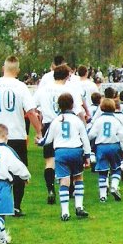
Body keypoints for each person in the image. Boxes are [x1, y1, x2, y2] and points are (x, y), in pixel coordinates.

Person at [0, 55, 42, 217]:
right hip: (16, 134)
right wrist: (39, 131)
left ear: (2, 69)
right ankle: (16, 205)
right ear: (18, 71)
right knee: (19, 171)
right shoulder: (20, 87)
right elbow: (30, 112)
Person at [33, 64, 84, 205]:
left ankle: (50, 189)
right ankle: (70, 188)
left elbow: (33, 108)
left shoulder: (43, 90)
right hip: (68, 123)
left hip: (49, 125)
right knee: (70, 154)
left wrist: (39, 125)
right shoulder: (70, 89)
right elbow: (78, 110)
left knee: (50, 160)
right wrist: (83, 126)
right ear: (67, 76)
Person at [38, 93, 91, 221]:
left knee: (64, 181)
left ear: (58, 106)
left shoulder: (56, 121)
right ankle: (79, 206)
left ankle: (65, 212)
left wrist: (39, 141)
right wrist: (88, 155)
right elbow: (85, 138)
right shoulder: (77, 120)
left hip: (61, 152)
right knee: (78, 177)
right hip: (76, 151)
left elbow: (47, 140)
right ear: (72, 105)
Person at [88, 98, 123, 202]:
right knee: (116, 168)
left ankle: (102, 196)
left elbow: (92, 134)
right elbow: (122, 136)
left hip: (101, 147)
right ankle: (114, 187)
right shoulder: (116, 120)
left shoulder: (98, 120)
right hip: (114, 146)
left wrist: (87, 143)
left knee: (102, 171)